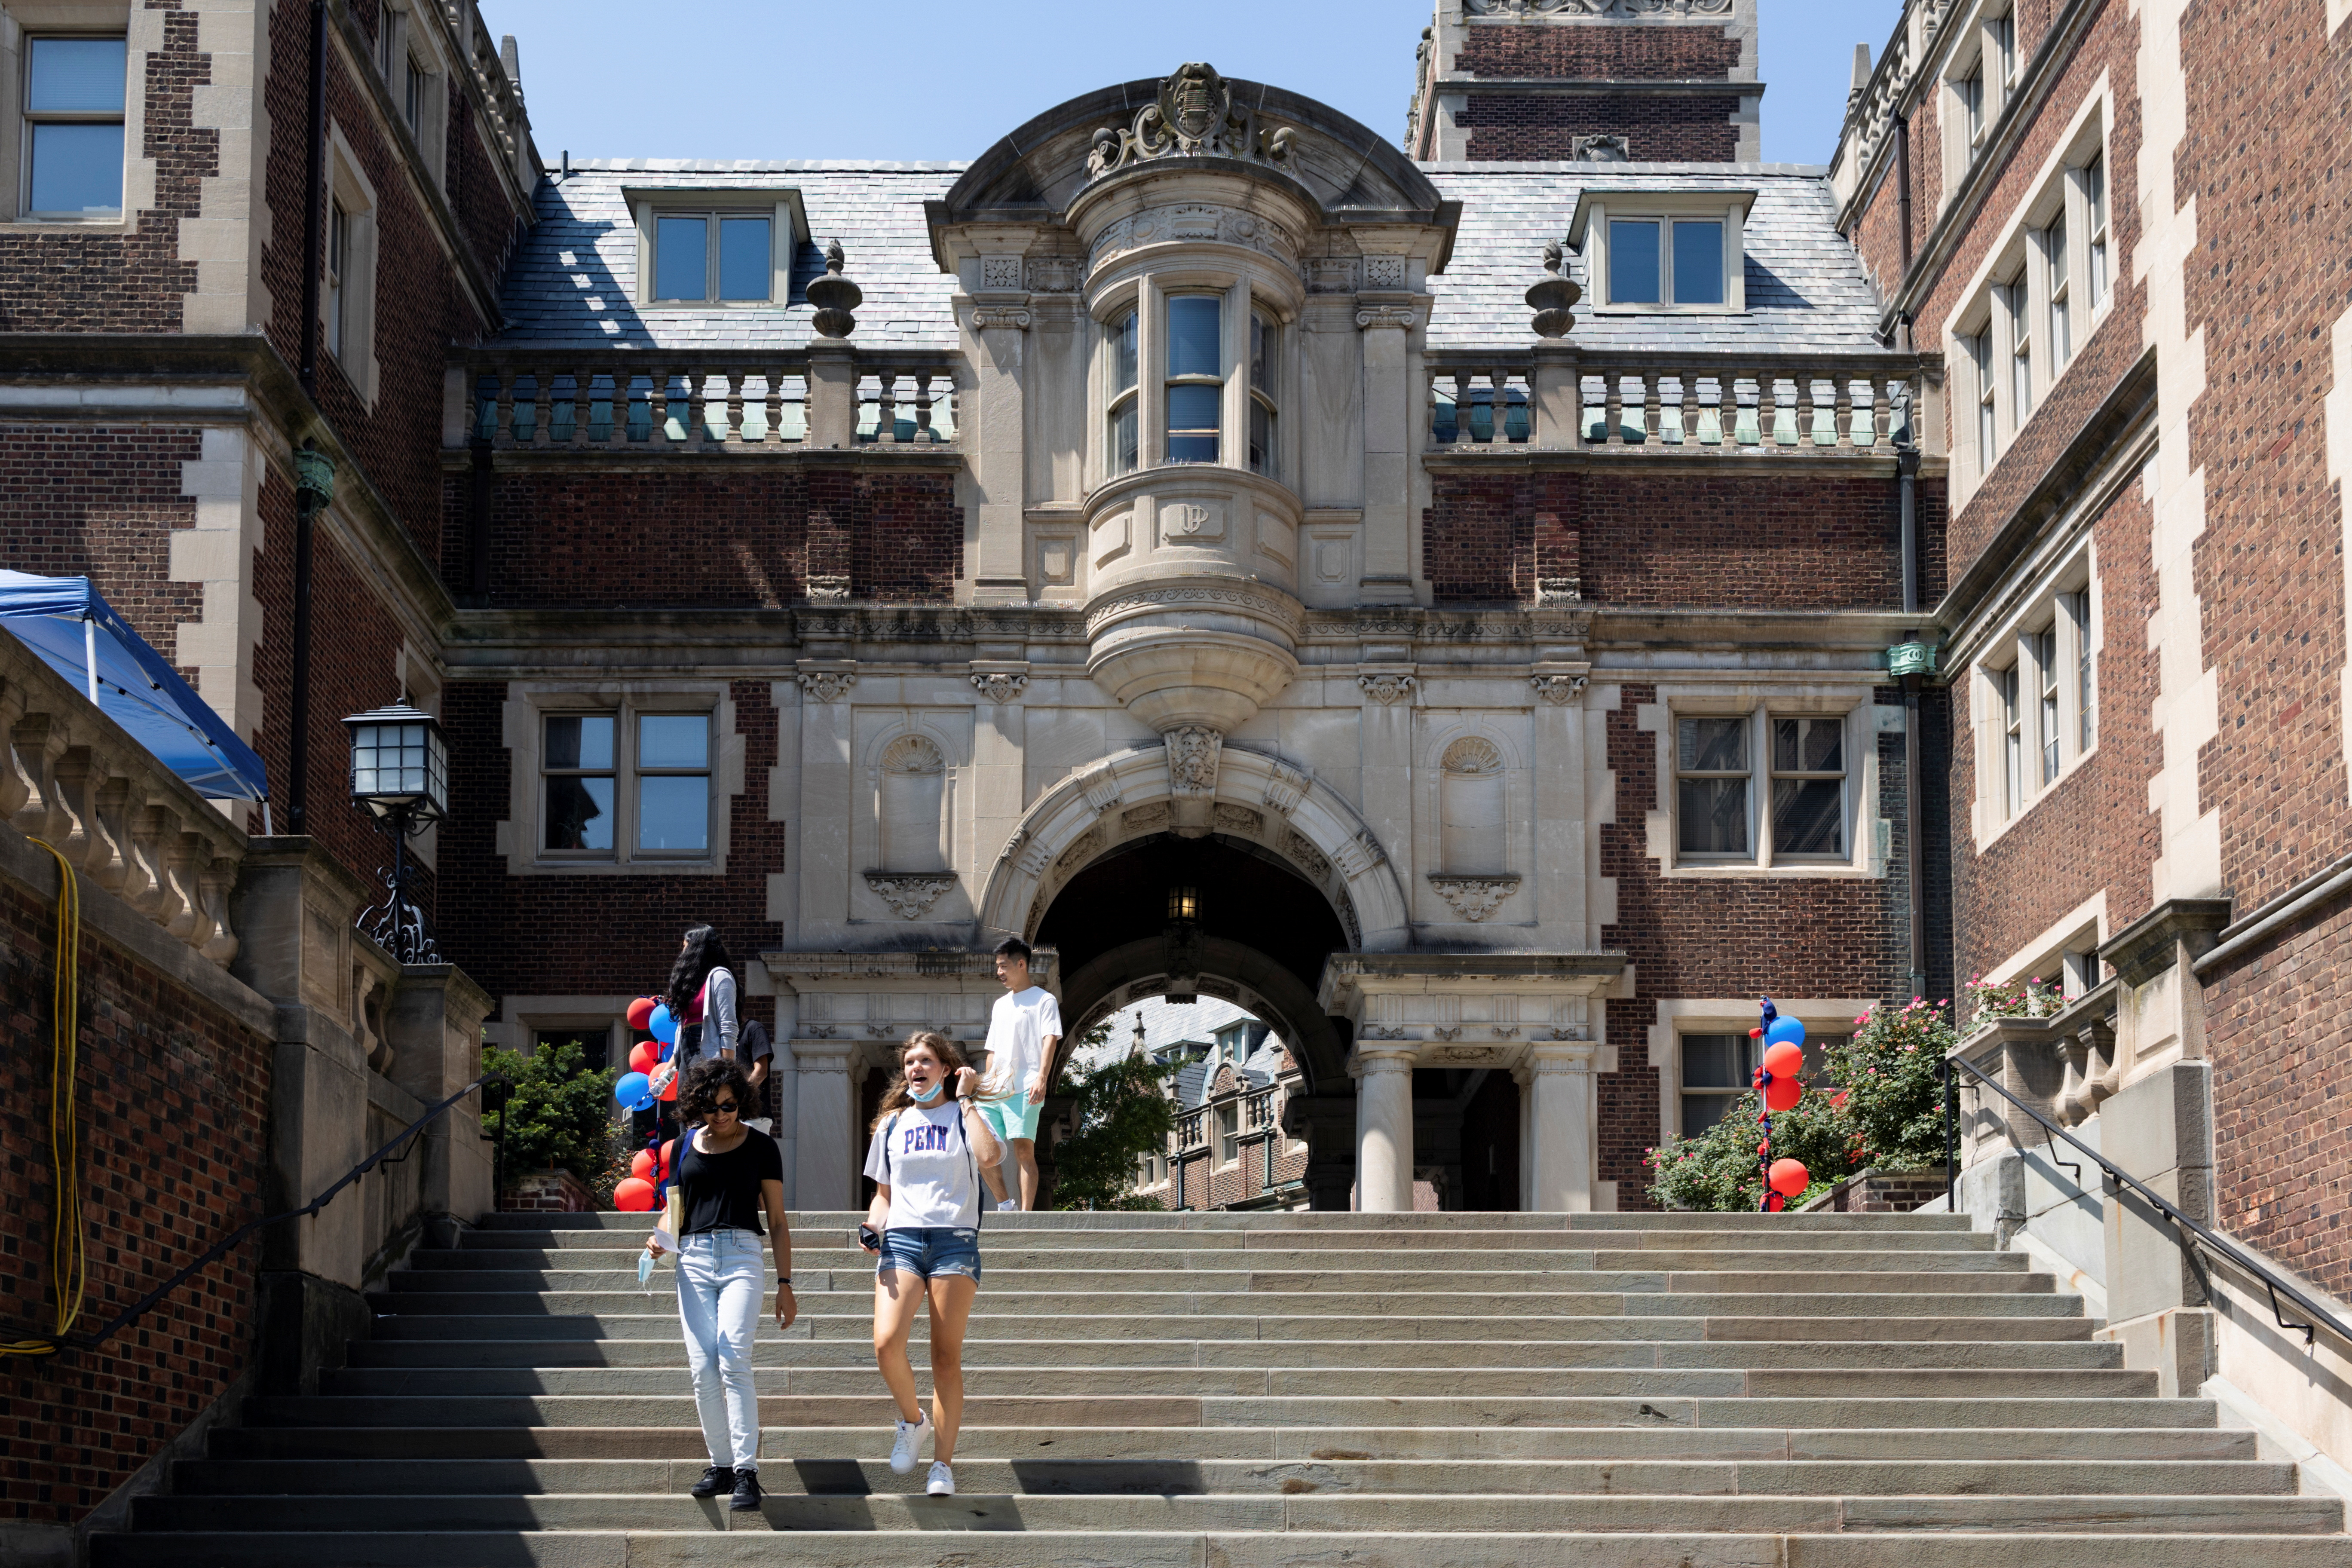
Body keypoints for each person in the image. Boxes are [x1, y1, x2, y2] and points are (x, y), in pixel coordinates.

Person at [645, 1055, 793, 1512]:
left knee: (732, 1357)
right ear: (697, 1106)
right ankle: (722, 1465)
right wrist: (658, 1236)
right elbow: (677, 1206)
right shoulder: (685, 1145)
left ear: (741, 1102)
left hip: (743, 1254)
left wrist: (785, 1283)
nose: (721, 1115)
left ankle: (747, 1470)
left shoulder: (762, 1146)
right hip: (692, 1259)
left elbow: (778, 1221)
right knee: (702, 1367)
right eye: (711, 1107)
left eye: (729, 1106)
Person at [860, 1031, 1001, 1498]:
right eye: (909, 1063)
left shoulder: (966, 1116)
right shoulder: (891, 1126)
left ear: (947, 1068)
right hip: (900, 1240)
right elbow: (882, 1198)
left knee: (945, 1356)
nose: (915, 1069)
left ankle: (942, 1465)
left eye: (926, 1061)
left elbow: (989, 1158)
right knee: (886, 1344)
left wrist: (965, 1101)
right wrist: (871, 1226)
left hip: (954, 1241)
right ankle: (912, 1420)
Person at [975, 936, 1060, 1211]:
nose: (998, 972)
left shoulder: (1044, 1000)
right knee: (981, 1150)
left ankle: (1025, 1216)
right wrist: (986, 1084)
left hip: (1026, 1086)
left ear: (1021, 964)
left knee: (1024, 1151)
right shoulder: (1000, 1005)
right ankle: (1004, 1204)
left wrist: (1042, 1078)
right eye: (997, 967)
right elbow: (992, 1050)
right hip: (994, 1090)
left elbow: (1050, 1039)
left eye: (1003, 966)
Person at [666, 924, 741, 1066]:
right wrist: (665, 1077)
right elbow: (681, 1036)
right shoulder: (692, 984)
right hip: (686, 1048)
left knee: (702, 1089)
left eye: (685, 946)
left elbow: (728, 1027)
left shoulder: (720, 977)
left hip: (706, 1048)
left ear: (696, 948)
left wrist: (727, 1071)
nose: (682, 952)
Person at [739, 1017, 776, 1135]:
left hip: (754, 1119)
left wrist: (736, 1099)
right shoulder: (724, 1036)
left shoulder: (754, 1028)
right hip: (732, 1118)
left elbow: (761, 1072)